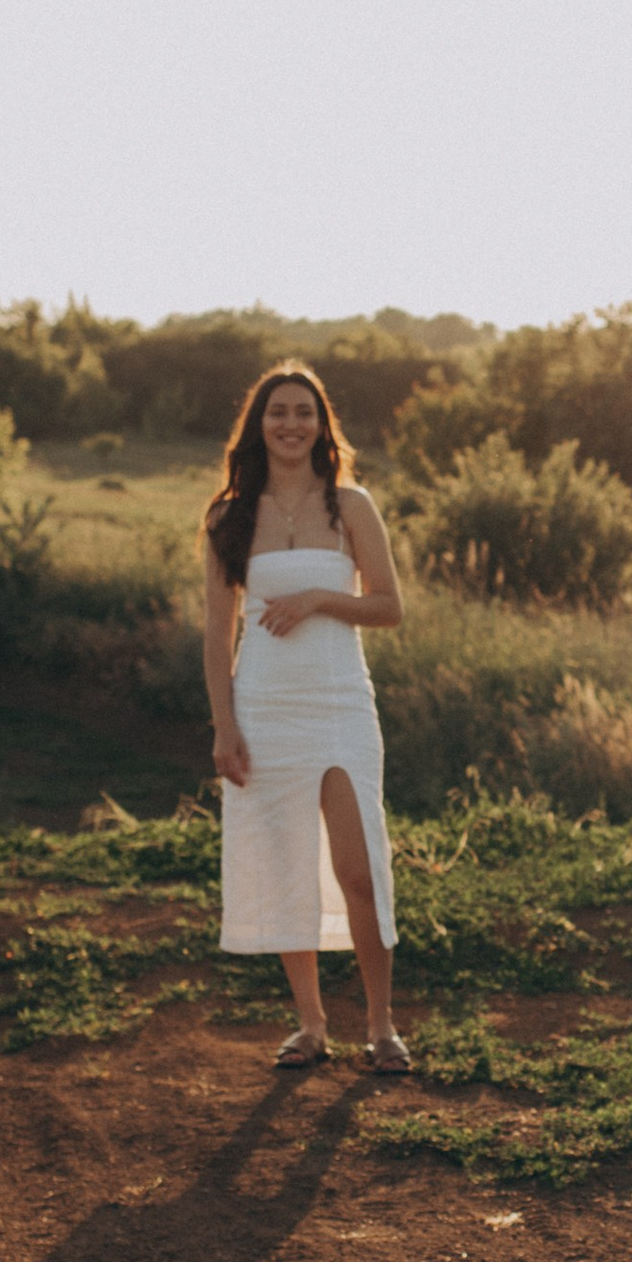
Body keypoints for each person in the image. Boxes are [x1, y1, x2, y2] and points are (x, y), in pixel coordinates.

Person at [203, 364, 410, 1071]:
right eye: (277, 413)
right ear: (257, 426)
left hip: (339, 704)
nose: (290, 425)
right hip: (263, 707)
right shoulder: (227, 516)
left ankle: (381, 1025)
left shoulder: (350, 506)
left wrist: (322, 598)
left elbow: (389, 606)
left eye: (303, 413)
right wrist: (224, 727)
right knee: (286, 863)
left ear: (322, 425)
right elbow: (215, 634)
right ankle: (312, 1025)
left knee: (358, 868)